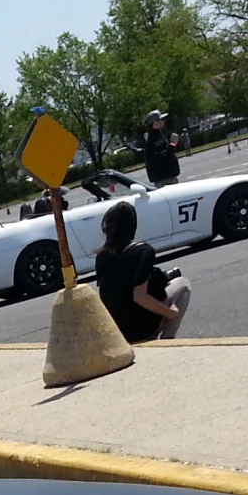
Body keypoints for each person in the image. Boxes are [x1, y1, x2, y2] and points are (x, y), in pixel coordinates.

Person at [93, 203, 189, 342]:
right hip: (141, 328)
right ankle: (168, 337)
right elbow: (139, 296)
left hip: (117, 329)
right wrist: (171, 313)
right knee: (183, 284)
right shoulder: (143, 251)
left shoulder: (101, 255)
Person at [140, 111, 181, 187]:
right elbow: (162, 158)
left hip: (165, 178)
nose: (163, 121)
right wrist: (172, 144)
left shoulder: (157, 137)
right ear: (154, 123)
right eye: (161, 119)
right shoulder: (154, 141)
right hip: (165, 180)